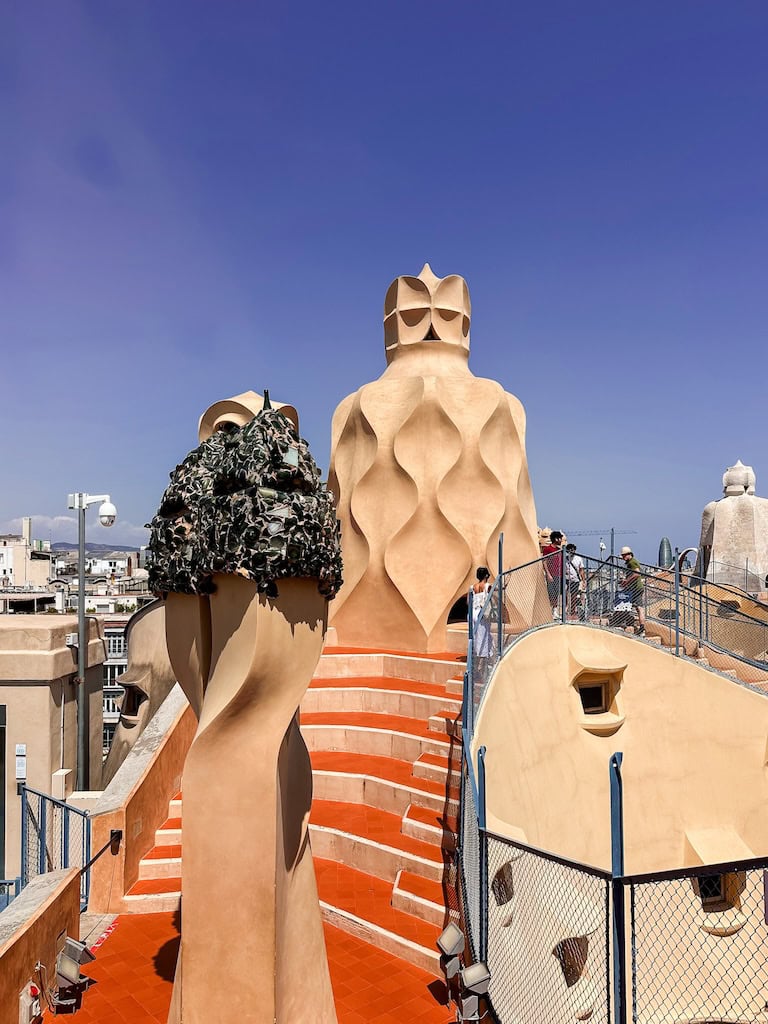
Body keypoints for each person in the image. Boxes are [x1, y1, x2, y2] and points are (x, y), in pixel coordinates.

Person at [620, 546, 645, 634]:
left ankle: (641, 627)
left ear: (628, 555)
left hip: (636, 588)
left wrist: (626, 581)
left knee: (627, 604)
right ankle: (641, 627)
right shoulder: (631, 562)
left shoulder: (632, 562)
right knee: (638, 607)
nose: (623, 558)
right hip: (636, 587)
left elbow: (637, 573)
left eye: (623, 556)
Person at [542, 530, 564, 618]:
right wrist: (548, 574)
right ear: (555, 539)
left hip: (559, 574)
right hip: (551, 574)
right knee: (551, 593)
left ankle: (555, 610)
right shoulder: (548, 549)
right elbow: (544, 561)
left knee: (557, 592)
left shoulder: (559, 550)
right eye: (559, 538)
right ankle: (552, 610)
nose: (561, 540)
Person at [565, 543, 585, 619]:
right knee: (565, 594)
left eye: (573, 550)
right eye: (570, 550)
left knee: (574, 596)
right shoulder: (565, 559)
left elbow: (581, 570)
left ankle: (572, 611)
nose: (572, 551)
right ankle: (566, 608)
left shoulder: (579, 559)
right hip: (566, 579)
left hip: (575, 580)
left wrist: (583, 580)